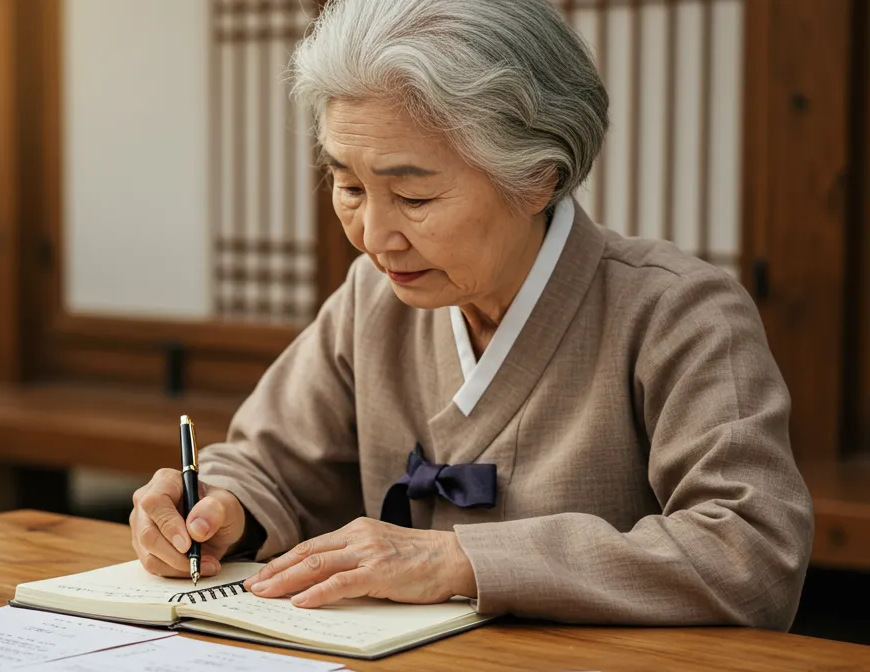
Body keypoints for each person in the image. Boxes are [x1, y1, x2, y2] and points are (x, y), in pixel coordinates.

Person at [129, 0, 812, 630]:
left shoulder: (678, 313)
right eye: (348, 186)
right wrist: (219, 509)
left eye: (414, 198)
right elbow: (270, 464)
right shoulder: (372, 300)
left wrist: (460, 560)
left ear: (538, 177)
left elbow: (750, 550)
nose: (374, 237)